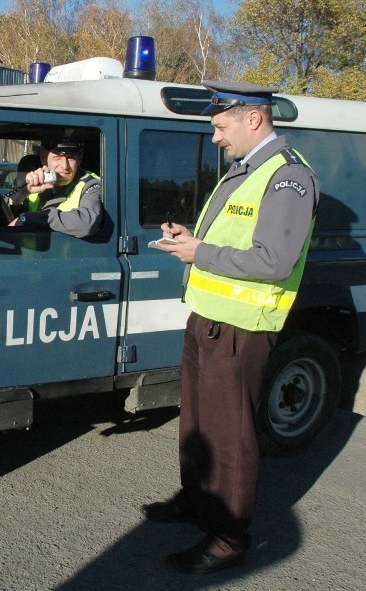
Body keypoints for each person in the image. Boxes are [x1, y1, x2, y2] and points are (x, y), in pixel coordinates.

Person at [146, 81, 319, 574]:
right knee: (197, 424)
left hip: (242, 328)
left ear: (254, 119)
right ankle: (196, 501)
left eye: (221, 127)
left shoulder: (288, 178)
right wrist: (193, 238)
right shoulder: (244, 172)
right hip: (208, 318)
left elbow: (274, 260)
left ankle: (227, 537)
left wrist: (201, 253)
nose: (216, 137)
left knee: (230, 437)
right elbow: (233, 241)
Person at [7, 139, 102, 238]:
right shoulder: (37, 181)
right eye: (57, 158)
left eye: (71, 158)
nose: (65, 166)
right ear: (44, 159)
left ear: (79, 160)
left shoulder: (91, 183)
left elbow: (86, 223)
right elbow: (5, 219)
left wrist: (28, 219)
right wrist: (23, 192)